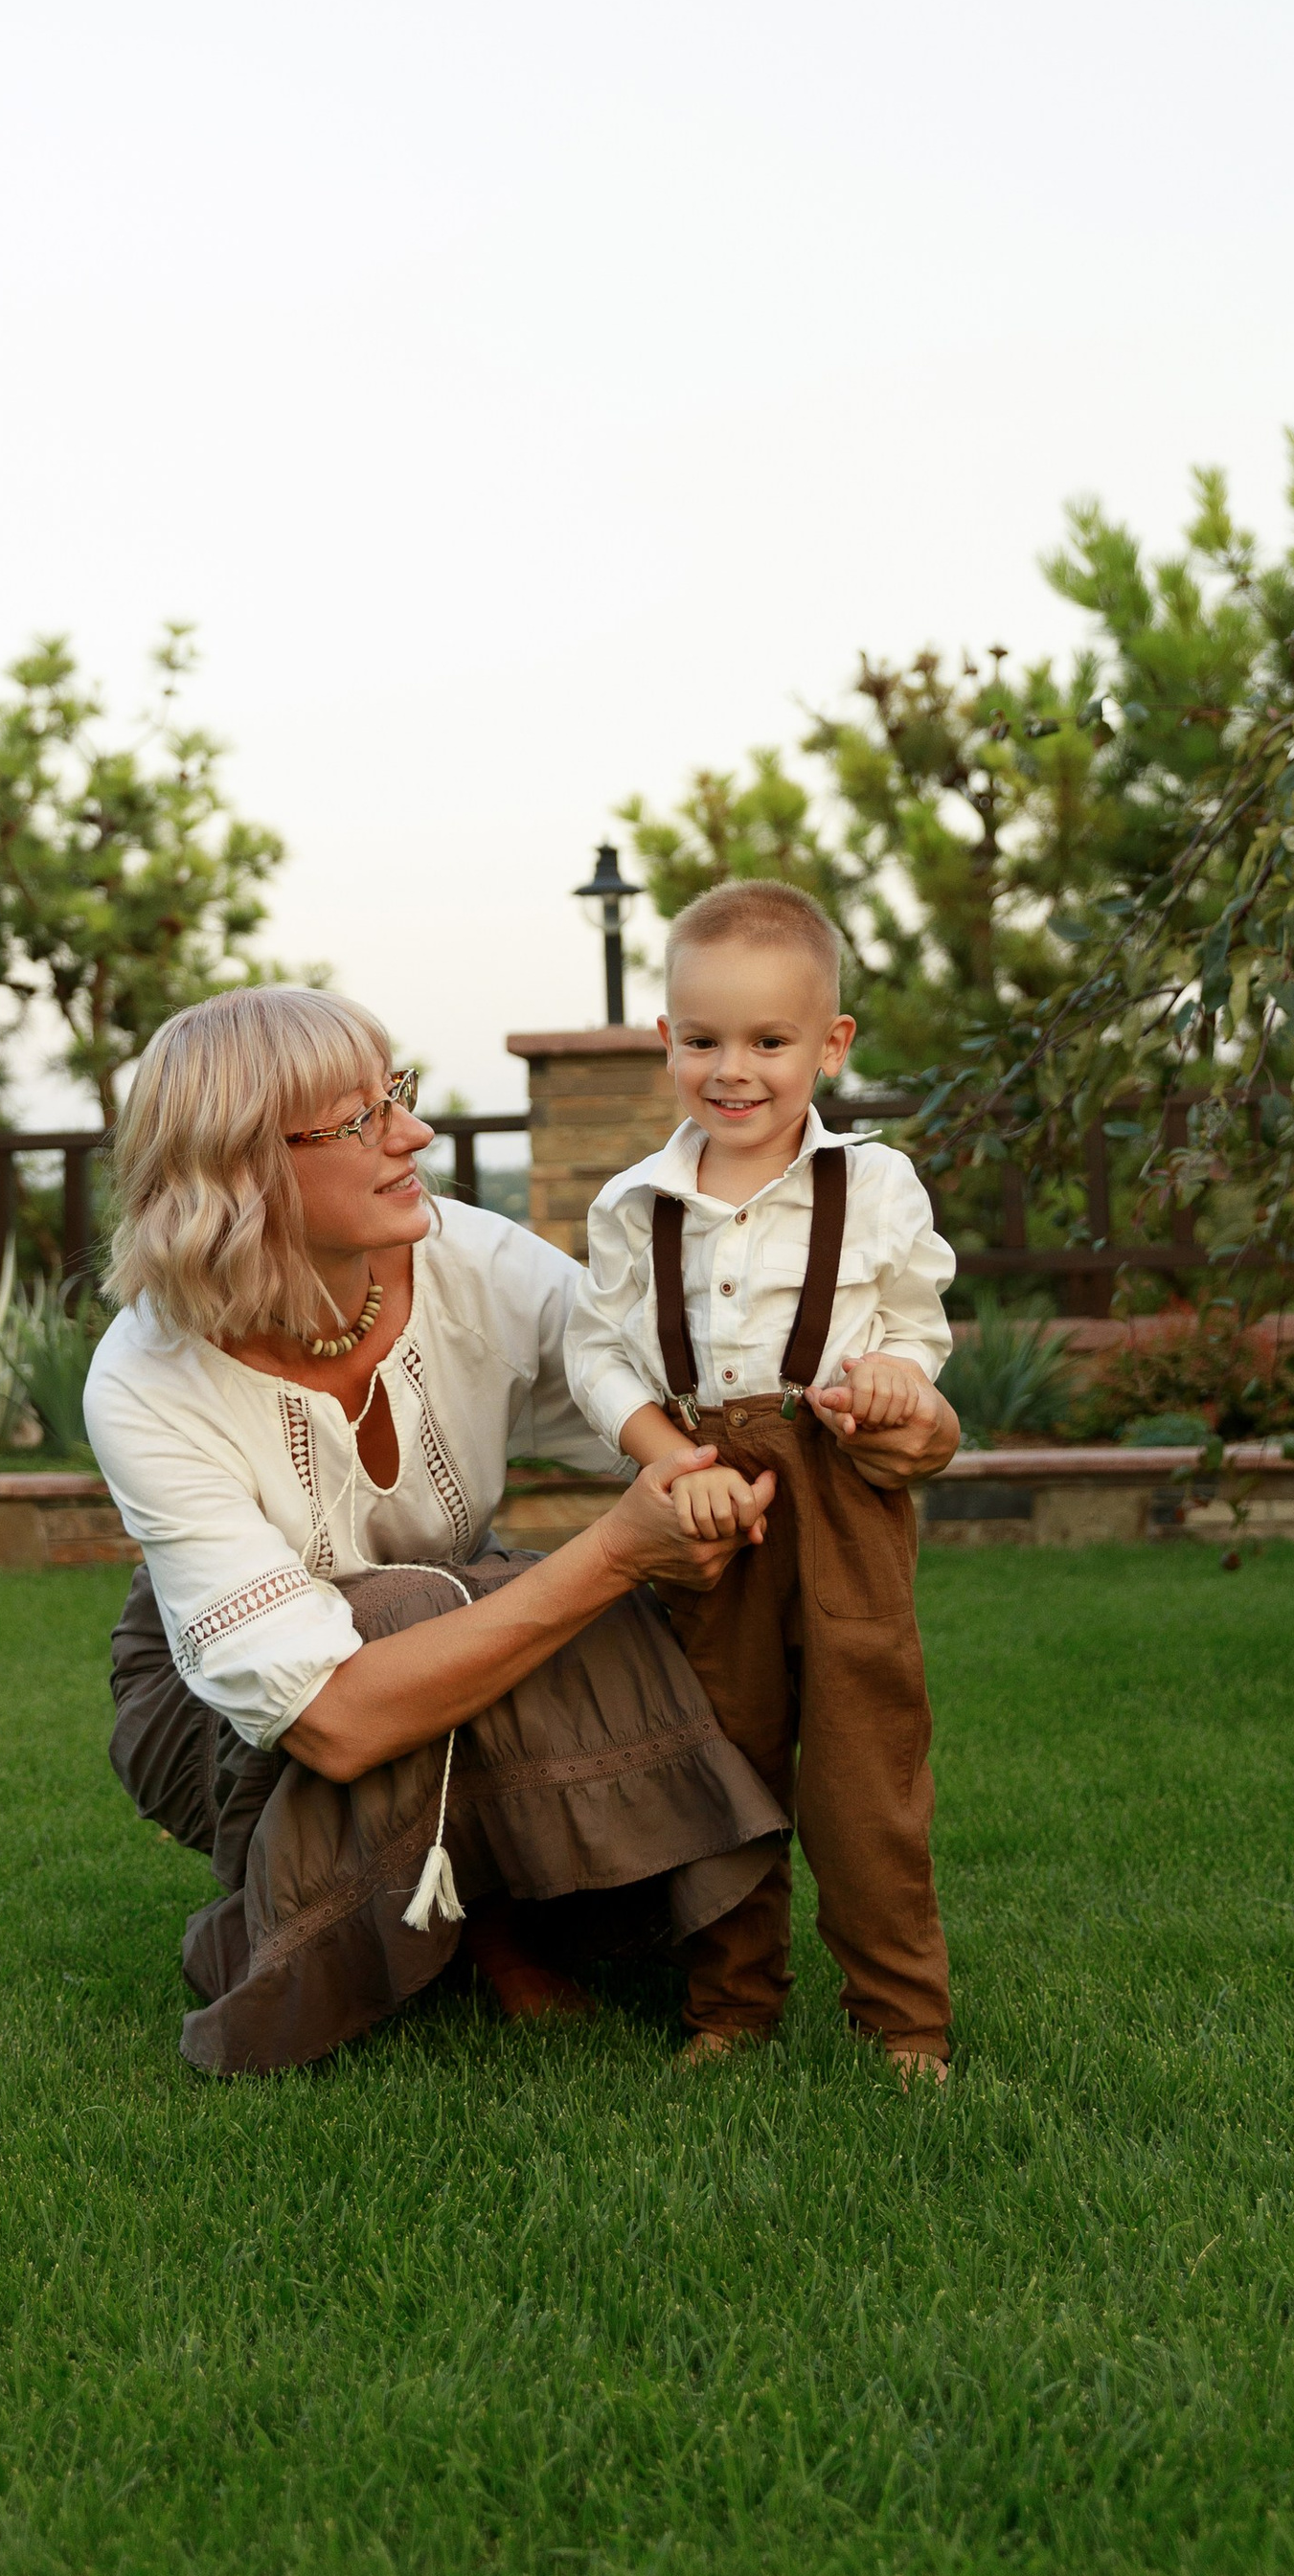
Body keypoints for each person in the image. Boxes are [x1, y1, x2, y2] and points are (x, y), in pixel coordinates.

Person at [85, 984, 792, 2074]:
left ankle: (473, 1919)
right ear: (242, 1166)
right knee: (440, 1601)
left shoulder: (476, 1265)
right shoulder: (147, 1377)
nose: (413, 1133)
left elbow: (679, 1404)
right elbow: (326, 1722)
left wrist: (880, 1396)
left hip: (446, 1646)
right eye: (358, 1119)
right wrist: (611, 1555)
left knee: (486, 1603)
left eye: (396, 1095)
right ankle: (405, 1939)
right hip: (216, 1716)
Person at [563, 879, 963, 2075]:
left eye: (768, 1041)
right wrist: (663, 1458)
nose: (732, 1070)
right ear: (665, 1042)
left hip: (836, 1482)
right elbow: (597, 1348)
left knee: (862, 1761)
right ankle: (730, 2004)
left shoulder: (873, 1186)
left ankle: (902, 2018)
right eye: (702, 1041)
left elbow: (916, 1323)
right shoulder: (636, 1207)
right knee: (717, 1756)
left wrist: (893, 1376)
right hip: (701, 1497)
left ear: (829, 1045)